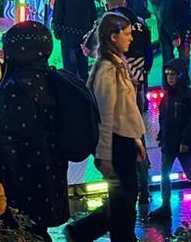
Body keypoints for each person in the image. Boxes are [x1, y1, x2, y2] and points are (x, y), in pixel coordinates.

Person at [0, 21, 69, 241]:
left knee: (22, 232)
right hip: (50, 179)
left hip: (17, 184)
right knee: (39, 232)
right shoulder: (53, 81)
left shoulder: (10, 89)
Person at [65, 12, 147, 242]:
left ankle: (82, 232)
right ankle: (84, 231)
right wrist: (104, 154)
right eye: (127, 34)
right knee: (124, 201)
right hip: (115, 143)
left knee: (124, 200)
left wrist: (136, 139)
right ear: (113, 36)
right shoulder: (106, 70)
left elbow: (126, 108)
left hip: (125, 140)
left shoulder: (118, 63)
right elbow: (106, 115)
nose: (131, 39)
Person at [104, 0, 153, 205]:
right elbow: (150, 56)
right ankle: (144, 189)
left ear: (108, 5)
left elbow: (90, 50)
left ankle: (120, 192)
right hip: (138, 89)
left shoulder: (106, 25)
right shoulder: (141, 23)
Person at [148, 59, 191, 220]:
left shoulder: (189, 95)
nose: (169, 77)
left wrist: (186, 141)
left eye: (173, 74)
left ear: (181, 75)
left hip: (182, 143)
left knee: (190, 173)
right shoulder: (168, 95)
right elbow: (164, 117)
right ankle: (165, 206)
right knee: (164, 174)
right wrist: (162, 135)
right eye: (167, 74)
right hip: (168, 142)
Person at [52, 0, 98, 81]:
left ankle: (73, 97)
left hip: (68, 37)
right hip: (84, 38)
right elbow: (94, 17)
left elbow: (58, 16)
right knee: (83, 71)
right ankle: (86, 95)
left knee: (70, 72)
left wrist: (57, 33)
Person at [159, 0, 191, 66]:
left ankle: (183, 80)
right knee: (169, 61)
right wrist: (174, 35)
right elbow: (166, 15)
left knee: (185, 59)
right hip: (170, 33)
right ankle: (169, 81)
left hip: (183, 32)